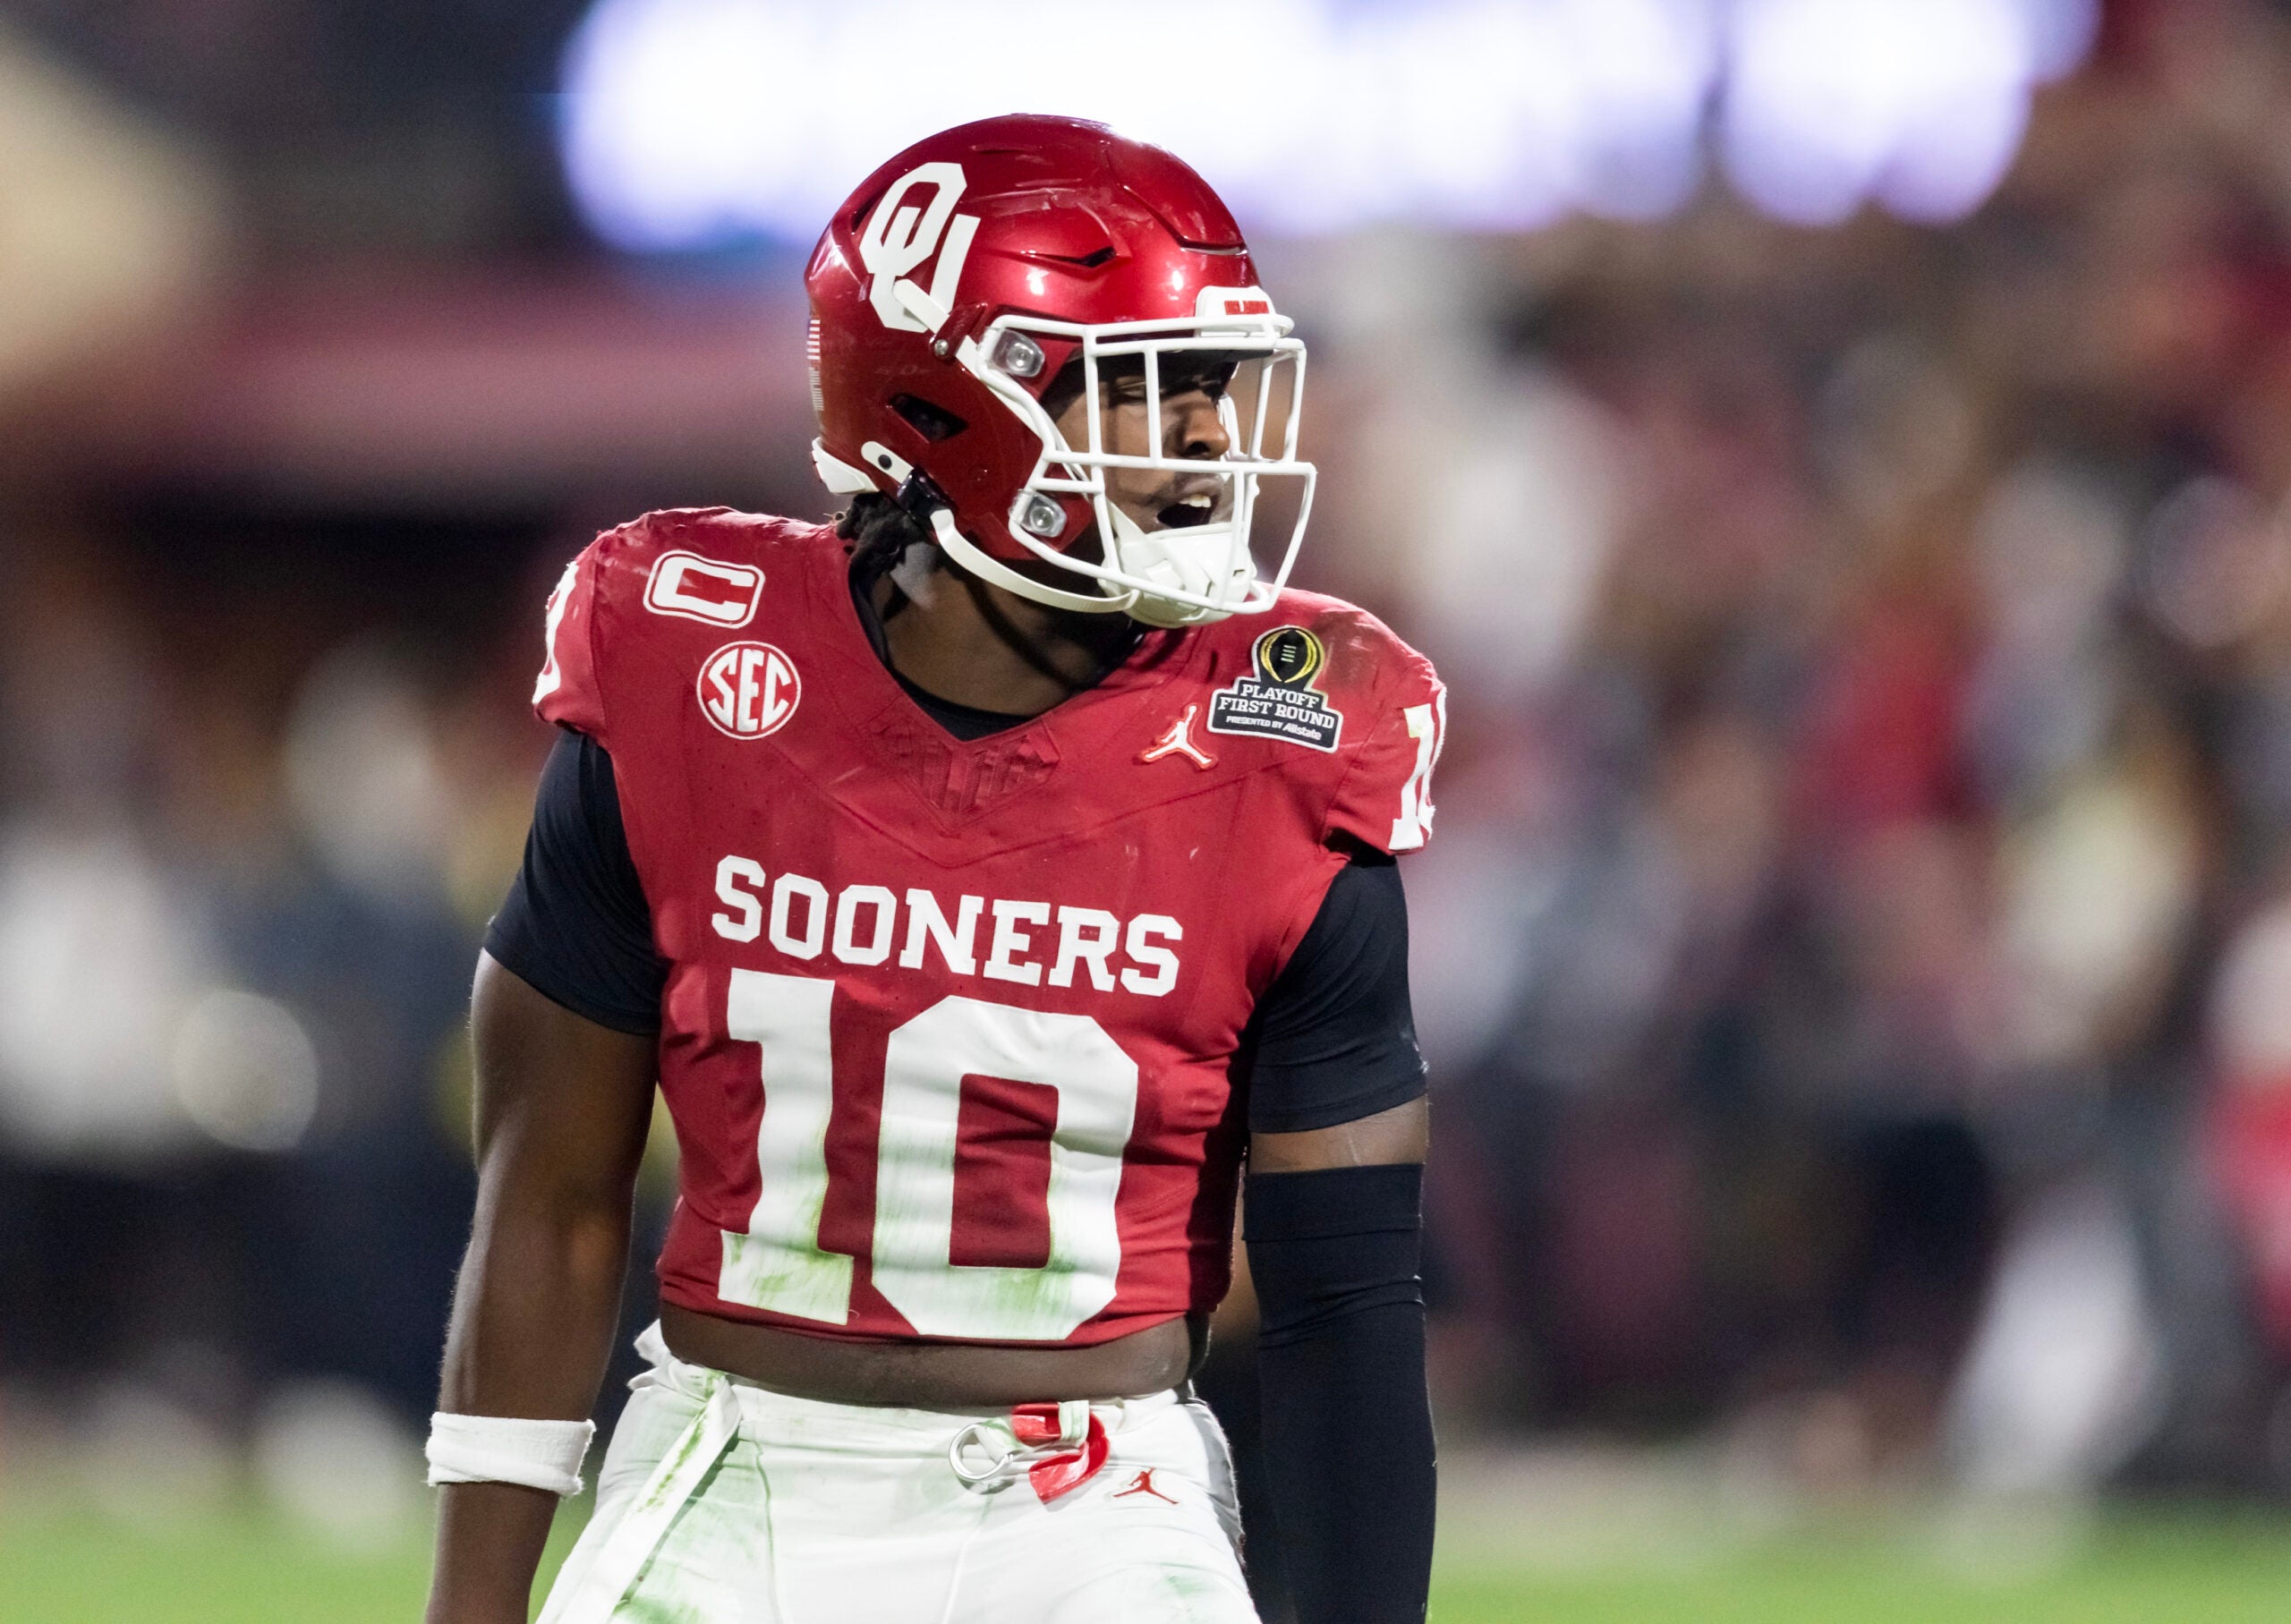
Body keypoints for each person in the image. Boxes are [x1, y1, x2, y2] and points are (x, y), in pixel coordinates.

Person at [422, 114, 1444, 1624]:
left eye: (1212, 380)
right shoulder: (692, 669)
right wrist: (471, 1608)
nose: (1207, 436)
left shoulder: (1287, 734)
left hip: (1093, 1501)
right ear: (945, 406)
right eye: (1140, 385)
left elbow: (1345, 1299)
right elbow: (552, 1196)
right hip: (733, 1458)